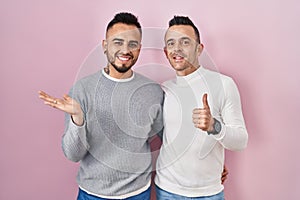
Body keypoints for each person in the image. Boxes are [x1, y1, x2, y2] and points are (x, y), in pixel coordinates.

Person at [39, 12, 164, 200]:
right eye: (117, 42)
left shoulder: (152, 91)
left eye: (133, 44)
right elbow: (73, 154)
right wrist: (78, 119)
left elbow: (163, 137)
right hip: (93, 194)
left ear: (139, 48)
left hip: (139, 192)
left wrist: (210, 164)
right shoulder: (82, 90)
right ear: (105, 46)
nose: (125, 50)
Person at [154, 16, 248, 199]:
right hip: (167, 190)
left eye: (185, 42)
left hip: (209, 193)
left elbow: (241, 141)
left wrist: (214, 126)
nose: (177, 48)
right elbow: (165, 136)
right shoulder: (164, 89)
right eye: (171, 43)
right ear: (166, 53)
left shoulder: (224, 84)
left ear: (199, 49)